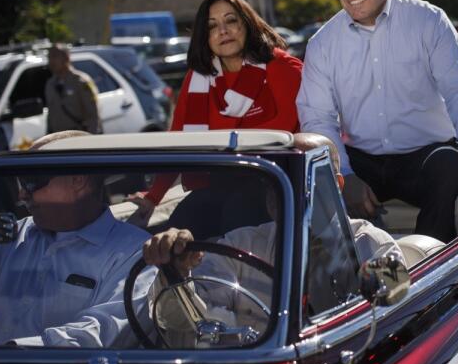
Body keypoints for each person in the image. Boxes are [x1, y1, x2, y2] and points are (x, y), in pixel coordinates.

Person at [297, 0, 458, 243]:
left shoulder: (428, 21)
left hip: (426, 156)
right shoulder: (322, 44)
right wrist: (346, 177)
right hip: (361, 159)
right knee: (311, 182)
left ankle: (429, 267)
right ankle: (349, 282)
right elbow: (317, 118)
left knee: (450, 168)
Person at [140, 133, 403, 345]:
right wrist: (178, 272)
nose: (283, 193)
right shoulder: (238, 245)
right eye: (276, 180)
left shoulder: (372, 244)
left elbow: (394, 321)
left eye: (301, 180)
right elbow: (190, 327)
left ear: (336, 185)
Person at [0, 131, 153, 347]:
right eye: (21, 182)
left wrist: (8, 353)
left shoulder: (136, 254)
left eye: (33, 180)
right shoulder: (16, 234)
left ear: (78, 181)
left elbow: (96, 335)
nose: (22, 194)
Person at [130, 0, 303, 221]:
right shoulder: (198, 79)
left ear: (248, 24)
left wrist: (222, 148)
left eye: (231, 20)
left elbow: (284, 131)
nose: (223, 31)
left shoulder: (282, 67)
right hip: (219, 182)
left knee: (236, 213)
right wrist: (153, 197)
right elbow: (178, 139)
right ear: (205, 36)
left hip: (275, 182)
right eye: (212, 26)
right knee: (180, 223)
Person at [44, 45, 101, 134]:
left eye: (54, 57)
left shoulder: (81, 81)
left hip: (77, 136)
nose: (51, 61)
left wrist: (91, 139)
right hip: (58, 138)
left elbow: (93, 115)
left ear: (66, 58)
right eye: (49, 57)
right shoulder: (50, 84)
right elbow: (51, 115)